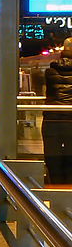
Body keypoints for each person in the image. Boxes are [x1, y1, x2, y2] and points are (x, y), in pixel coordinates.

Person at [44, 38, 72, 184]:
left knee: (52, 155)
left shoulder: (50, 71)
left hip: (52, 118)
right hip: (71, 119)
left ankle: (55, 185)